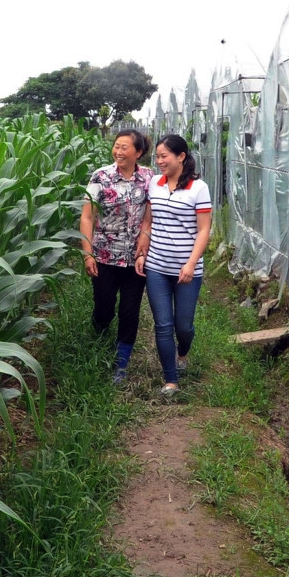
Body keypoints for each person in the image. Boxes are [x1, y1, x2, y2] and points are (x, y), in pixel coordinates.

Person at [136, 134, 211, 397]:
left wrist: (191, 263)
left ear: (181, 156)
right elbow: (148, 221)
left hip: (187, 270)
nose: (159, 161)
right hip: (157, 266)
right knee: (163, 325)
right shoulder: (154, 184)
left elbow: (204, 230)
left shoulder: (198, 188)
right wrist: (142, 250)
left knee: (184, 326)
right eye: (157, 156)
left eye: (164, 156)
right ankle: (171, 380)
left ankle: (183, 352)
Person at [80, 129, 152, 383]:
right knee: (104, 308)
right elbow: (87, 216)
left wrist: (145, 235)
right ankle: (98, 342)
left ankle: (121, 363)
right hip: (104, 255)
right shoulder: (101, 176)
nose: (118, 152)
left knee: (130, 311)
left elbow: (150, 214)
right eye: (116, 146)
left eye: (124, 147)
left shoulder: (149, 178)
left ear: (138, 152)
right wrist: (87, 254)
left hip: (136, 258)